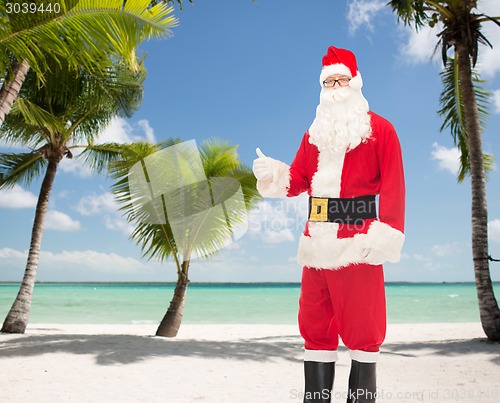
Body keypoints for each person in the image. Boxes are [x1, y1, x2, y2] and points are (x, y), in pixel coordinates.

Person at [252, 46, 405, 403]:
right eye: (328, 81)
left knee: (363, 332)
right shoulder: (314, 134)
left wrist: (386, 233)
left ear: (355, 83)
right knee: (315, 330)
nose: (335, 86)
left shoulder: (381, 130)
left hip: (359, 245)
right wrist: (273, 173)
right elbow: (298, 179)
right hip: (316, 243)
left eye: (341, 79)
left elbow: (395, 186)